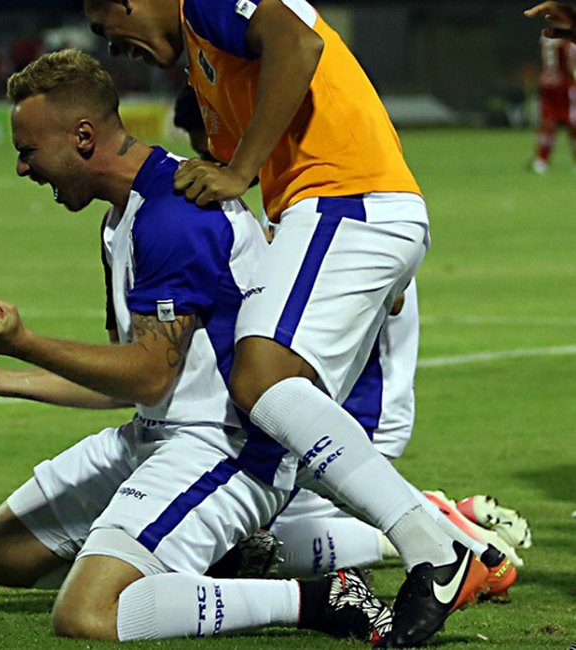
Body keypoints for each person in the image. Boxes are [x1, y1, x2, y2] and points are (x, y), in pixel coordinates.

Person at [81, 1, 512, 645]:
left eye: (102, 25)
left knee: (259, 378)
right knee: (279, 412)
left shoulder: (202, 3)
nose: (111, 45)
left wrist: (238, 170)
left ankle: (434, 547)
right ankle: (437, 539)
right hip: (342, 211)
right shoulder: (207, 60)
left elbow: (298, 45)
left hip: (345, 197)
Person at [0, 49, 392, 644]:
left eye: (27, 151)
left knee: (86, 614)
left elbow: (148, 377)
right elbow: (121, 380)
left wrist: (26, 343)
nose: (24, 169)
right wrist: (1, 378)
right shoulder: (122, 217)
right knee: (2, 552)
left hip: (225, 445)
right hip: (157, 434)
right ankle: (183, 563)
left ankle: (318, 599)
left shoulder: (173, 213)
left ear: (82, 136)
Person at [171, 86, 531, 585]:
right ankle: (437, 518)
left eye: (212, 146)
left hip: (359, 416)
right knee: (219, 525)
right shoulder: (292, 207)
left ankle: (441, 532)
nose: (206, 162)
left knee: (227, 541)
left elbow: (394, 297)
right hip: (323, 414)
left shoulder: (314, 208)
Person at [530, 34, 576, 174]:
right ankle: (542, 160)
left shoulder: (546, 36)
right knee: (572, 123)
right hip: (565, 84)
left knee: (548, 122)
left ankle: (541, 160)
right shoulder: (569, 37)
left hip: (547, 83)